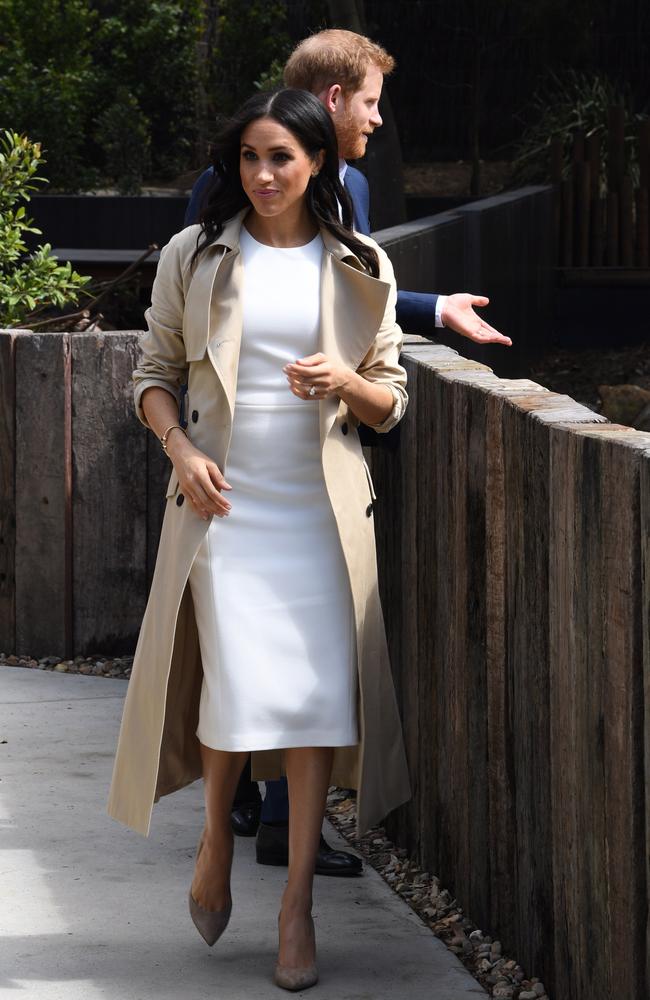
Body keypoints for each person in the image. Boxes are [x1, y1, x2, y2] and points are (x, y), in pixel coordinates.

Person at [107, 88, 411, 992]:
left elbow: (391, 399)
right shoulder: (196, 255)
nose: (264, 175)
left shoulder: (360, 262)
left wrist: (345, 381)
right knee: (236, 684)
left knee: (316, 700)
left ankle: (297, 907)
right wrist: (180, 449)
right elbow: (152, 376)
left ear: (318, 161)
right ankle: (213, 841)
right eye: (249, 157)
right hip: (226, 513)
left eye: (281, 157)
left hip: (319, 518)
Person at [185, 27, 511, 869]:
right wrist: (184, 447)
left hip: (317, 481)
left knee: (316, 676)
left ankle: (285, 850)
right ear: (333, 104)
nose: (374, 118)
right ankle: (236, 822)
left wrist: (425, 315)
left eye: (279, 161)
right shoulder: (233, 207)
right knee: (238, 667)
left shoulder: (345, 213)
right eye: (368, 100)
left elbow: (357, 294)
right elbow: (199, 319)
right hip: (229, 481)